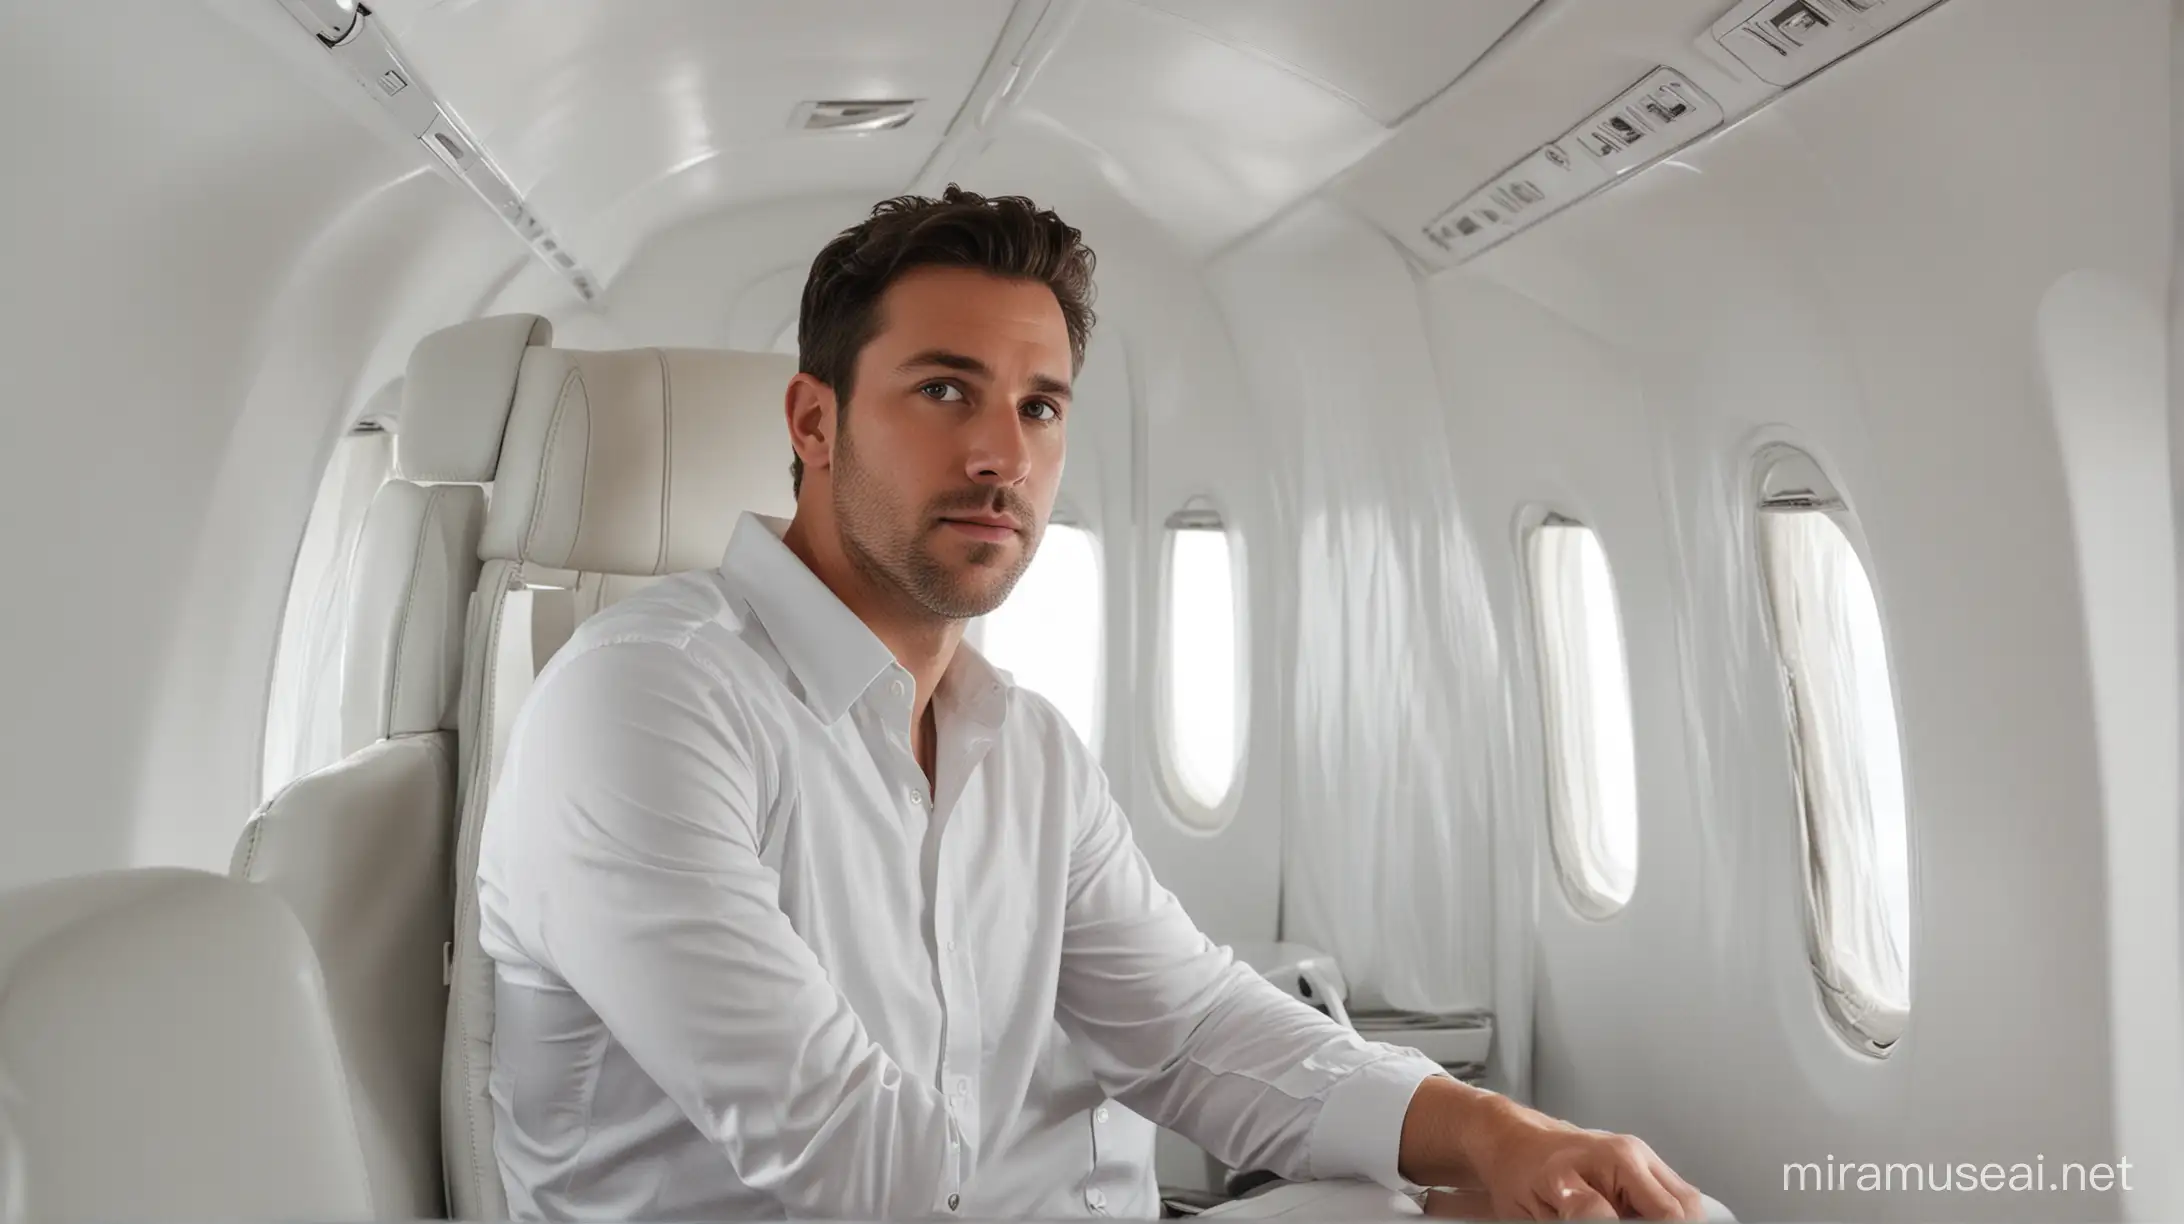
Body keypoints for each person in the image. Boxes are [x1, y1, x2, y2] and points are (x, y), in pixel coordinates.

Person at [475, 186, 1712, 1221]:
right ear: (815, 420)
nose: (1001, 456)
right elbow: (845, 1159)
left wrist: (1495, 1138)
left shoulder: (1022, 747)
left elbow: (1190, 1031)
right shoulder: (645, 703)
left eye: (1040, 406)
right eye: (945, 390)